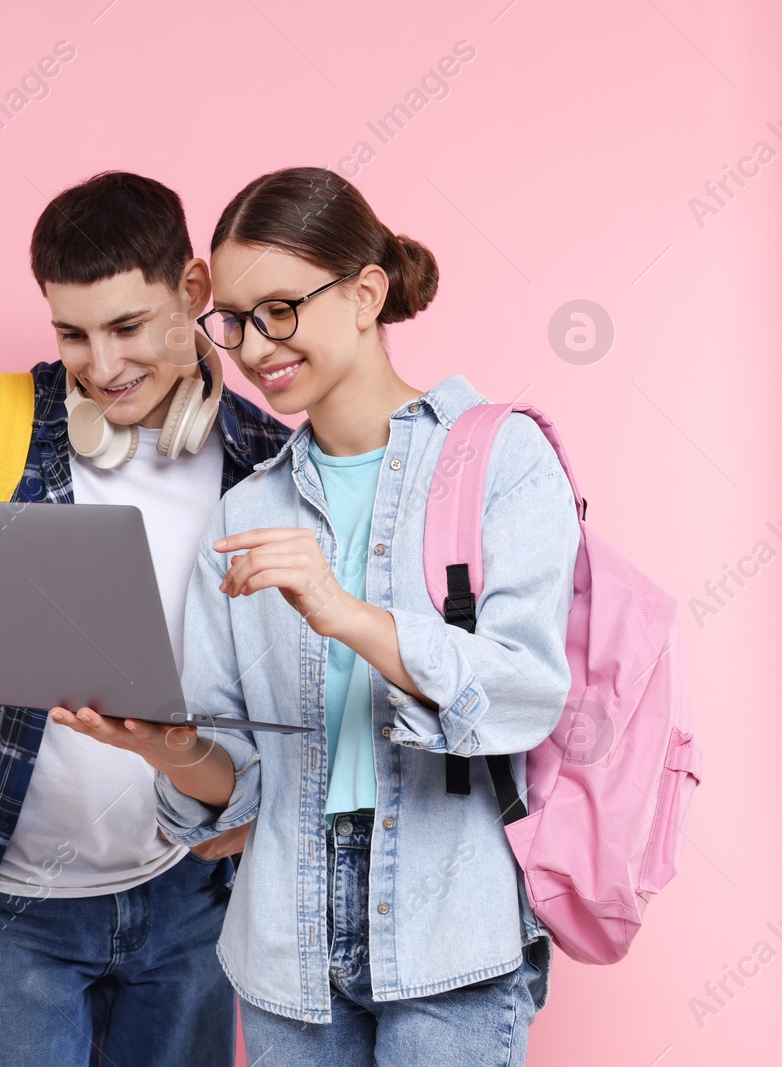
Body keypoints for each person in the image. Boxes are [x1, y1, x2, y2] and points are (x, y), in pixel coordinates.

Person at [51, 166, 578, 1066]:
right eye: (235, 320)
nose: (255, 347)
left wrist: (344, 610)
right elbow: (238, 785)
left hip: (448, 926)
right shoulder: (247, 511)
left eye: (281, 310)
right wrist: (157, 744)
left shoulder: (500, 457)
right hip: (284, 941)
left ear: (367, 292)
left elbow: (526, 693)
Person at [0, 171, 290, 1065]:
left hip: (195, 902)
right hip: (11, 903)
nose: (104, 362)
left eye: (128, 326)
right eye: (72, 333)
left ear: (194, 292)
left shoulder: (263, 461)